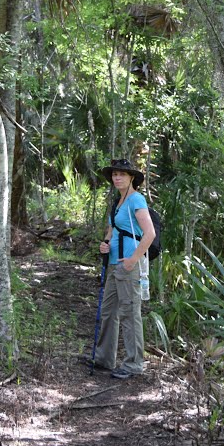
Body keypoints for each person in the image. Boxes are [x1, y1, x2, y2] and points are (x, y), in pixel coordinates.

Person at [93, 158, 156, 379]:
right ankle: (104, 358)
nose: (117, 177)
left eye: (122, 174)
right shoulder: (118, 202)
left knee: (129, 314)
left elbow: (149, 234)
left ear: (131, 178)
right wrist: (105, 243)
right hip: (113, 264)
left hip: (128, 266)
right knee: (109, 312)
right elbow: (113, 231)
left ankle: (133, 364)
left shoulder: (136, 199)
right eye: (114, 174)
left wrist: (132, 260)